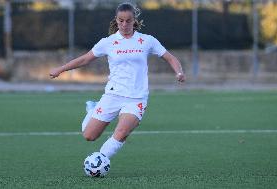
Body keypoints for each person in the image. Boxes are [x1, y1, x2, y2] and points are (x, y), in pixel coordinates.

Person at [49, 2, 186, 160]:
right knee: (89, 135)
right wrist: (61, 69)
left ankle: (100, 160)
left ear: (134, 20)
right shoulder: (108, 42)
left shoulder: (147, 41)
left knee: (121, 133)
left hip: (136, 98)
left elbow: (170, 57)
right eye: (121, 20)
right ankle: (93, 109)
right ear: (116, 20)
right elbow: (85, 59)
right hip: (113, 95)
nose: (124, 24)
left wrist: (179, 72)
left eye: (128, 20)